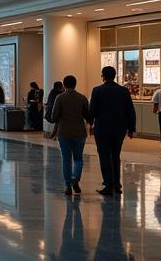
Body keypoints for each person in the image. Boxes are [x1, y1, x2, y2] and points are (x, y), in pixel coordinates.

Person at [89, 65, 135, 197]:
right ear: (114, 76)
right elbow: (130, 110)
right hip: (119, 129)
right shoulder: (123, 91)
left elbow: (92, 110)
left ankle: (108, 185)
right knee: (116, 155)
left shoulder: (97, 90)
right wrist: (131, 128)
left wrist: (90, 122)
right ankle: (117, 184)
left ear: (103, 75)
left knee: (104, 155)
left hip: (102, 128)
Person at [50, 75, 90, 196]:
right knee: (78, 158)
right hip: (79, 132)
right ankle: (75, 179)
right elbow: (87, 115)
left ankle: (68, 185)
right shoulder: (82, 98)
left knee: (66, 159)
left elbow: (53, 116)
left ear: (64, 84)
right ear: (75, 84)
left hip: (64, 132)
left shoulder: (60, 97)